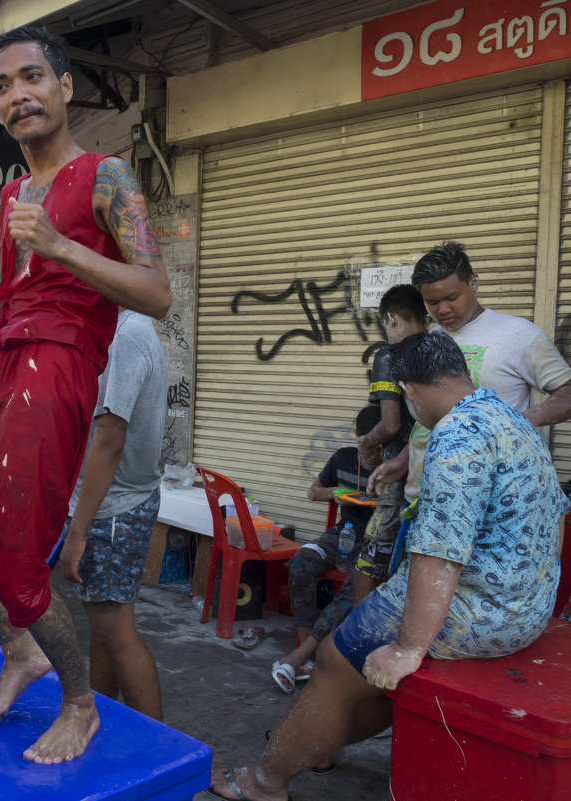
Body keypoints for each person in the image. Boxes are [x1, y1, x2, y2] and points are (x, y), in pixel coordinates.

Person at [0, 26, 171, 764]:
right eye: (4, 86)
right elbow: (16, 307)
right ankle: (19, 645)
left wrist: (64, 245)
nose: (18, 95)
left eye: (32, 77)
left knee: (17, 558)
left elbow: (158, 292)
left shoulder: (107, 176)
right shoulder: (14, 193)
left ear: (65, 87)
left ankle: (80, 701)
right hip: (6, 366)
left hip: (61, 371)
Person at [205, 330, 568, 801]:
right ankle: (314, 743)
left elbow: (439, 553)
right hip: (530, 611)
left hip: (482, 614)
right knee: (369, 675)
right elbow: (556, 518)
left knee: (336, 659)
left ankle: (264, 782)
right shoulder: (512, 419)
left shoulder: (457, 436)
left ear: (410, 391)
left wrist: (410, 647)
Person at [58, 309, 167, 721]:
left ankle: (160, 756)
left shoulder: (127, 335)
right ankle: (95, 721)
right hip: (112, 504)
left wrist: (78, 532)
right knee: (104, 628)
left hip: (114, 509)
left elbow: (110, 439)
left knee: (117, 633)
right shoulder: (114, 327)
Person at [271, 404, 379, 695]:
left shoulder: (395, 466)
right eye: (365, 444)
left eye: (377, 446)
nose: (370, 453)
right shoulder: (343, 457)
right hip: (342, 535)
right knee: (301, 562)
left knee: (355, 585)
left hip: (376, 543)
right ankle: (307, 655)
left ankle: (298, 656)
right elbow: (312, 491)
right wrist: (335, 493)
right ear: (357, 436)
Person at [413, 240, 571, 425]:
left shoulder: (519, 334)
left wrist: (519, 422)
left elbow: (567, 391)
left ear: (473, 283)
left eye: (452, 298)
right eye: (432, 302)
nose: (443, 309)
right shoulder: (429, 341)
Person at [351, 285, 428, 605]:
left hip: (398, 479)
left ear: (392, 318)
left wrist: (365, 443)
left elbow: (390, 424)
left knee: (368, 566)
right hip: (433, 474)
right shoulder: (444, 348)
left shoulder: (389, 355)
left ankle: (354, 646)